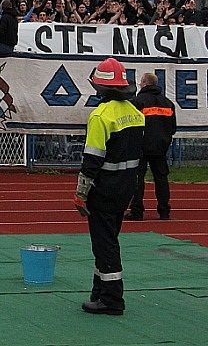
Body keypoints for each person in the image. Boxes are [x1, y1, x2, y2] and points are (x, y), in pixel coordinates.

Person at [73, 58, 144, 315]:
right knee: (108, 239)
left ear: (99, 88)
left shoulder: (100, 116)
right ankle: (100, 291)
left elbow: (92, 159)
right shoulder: (136, 113)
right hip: (127, 186)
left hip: (104, 189)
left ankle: (112, 299)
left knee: (105, 245)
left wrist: (81, 194)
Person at [125, 73, 176, 221]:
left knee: (138, 179)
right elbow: (172, 128)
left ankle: (137, 211)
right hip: (160, 147)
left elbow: (133, 125)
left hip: (141, 146)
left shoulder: (138, 102)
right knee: (161, 179)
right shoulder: (167, 103)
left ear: (144, 83)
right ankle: (164, 211)